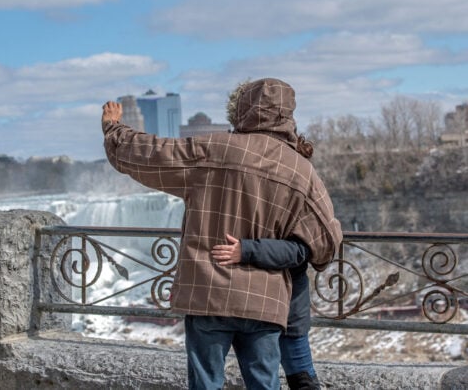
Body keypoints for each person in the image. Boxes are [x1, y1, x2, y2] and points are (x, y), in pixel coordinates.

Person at [102, 78, 342, 389]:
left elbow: (150, 154)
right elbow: (324, 243)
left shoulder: (214, 148)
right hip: (264, 301)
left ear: (243, 109)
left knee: (205, 383)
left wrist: (114, 130)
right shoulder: (301, 172)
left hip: (208, 293)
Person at [212, 235, 320, 389]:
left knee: (301, 379)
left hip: (289, 302)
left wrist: (248, 250)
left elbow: (310, 247)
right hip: (241, 302)